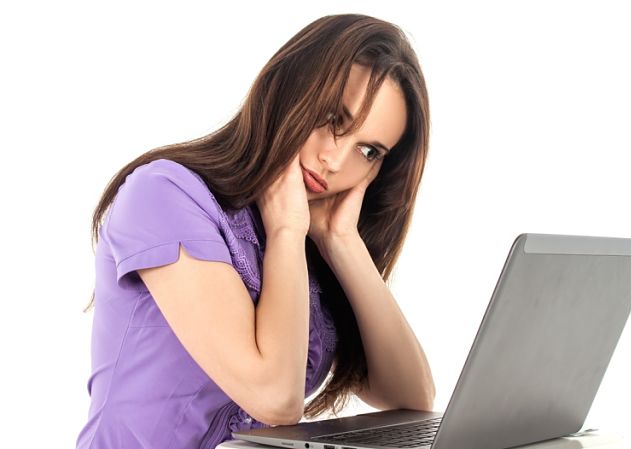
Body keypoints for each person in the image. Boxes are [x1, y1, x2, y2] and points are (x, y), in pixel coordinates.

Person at [76, 13, 435, 449]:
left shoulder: (309, 241)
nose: (336, 161)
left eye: (368, 150)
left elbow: (413, 399)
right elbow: (275, 399)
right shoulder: (165, 195)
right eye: (332, 119)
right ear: (288, 89)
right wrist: (285, 231)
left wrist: (341, 242)